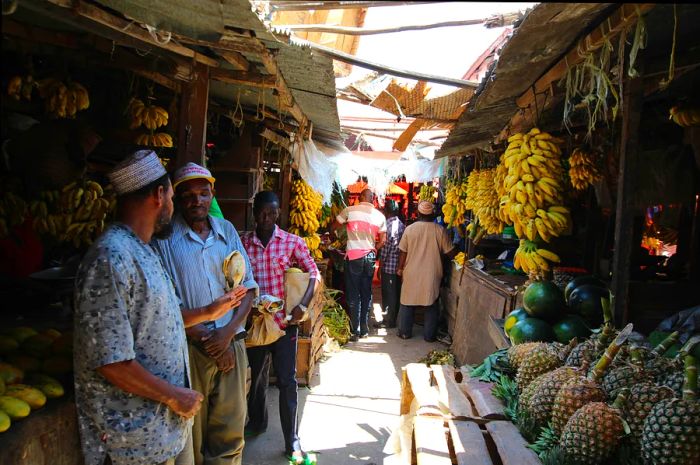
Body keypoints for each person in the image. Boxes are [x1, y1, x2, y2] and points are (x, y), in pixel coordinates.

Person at [73, 150, 248, 465]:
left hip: (157, 434)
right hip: (131, 442)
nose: (179, 204)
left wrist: (209, 313)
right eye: (174, 194)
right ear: (160, 195)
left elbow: (163, 319)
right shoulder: (111, 258)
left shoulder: (139, 250)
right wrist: (173, 394)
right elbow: (110, 361)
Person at [153, 162, 257, 465]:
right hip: (191, 348)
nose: (196, 201)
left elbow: (248, 289)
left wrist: (226, 334)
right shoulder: (166, 239)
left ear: (213, 194)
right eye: (187, 195)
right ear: (176, 199)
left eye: (203, 193)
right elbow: (167, 305)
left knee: (230, 433)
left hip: (231, 341)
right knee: (191, 434)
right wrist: (208, 340)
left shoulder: (226, 231)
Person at [241, 191, 320, 465]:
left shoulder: (290, 242)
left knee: (287, 382)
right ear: (254, 213)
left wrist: (303, 305)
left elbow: (313, 273)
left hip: (284, 325)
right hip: (256, 325)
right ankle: (257, 422)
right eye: (262, 212)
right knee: (257, 378)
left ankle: (292, 441)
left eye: (272, 213)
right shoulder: (243, 244)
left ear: (278, 215)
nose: (267, 218)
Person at [396, 200, 457, 342]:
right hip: (431, 273)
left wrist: (400, 269)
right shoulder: (439, 230)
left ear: (418, 213)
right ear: (432, 214)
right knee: (431, 303)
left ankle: (405, 332)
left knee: (407, 301)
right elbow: (451, 253)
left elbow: (403, 252)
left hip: (411, 271)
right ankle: (429, 336)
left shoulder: (409, 229)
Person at [332, 188, 386, 341]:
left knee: (353, 293)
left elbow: (334, 226)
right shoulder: (379, 216)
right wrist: (374, 248)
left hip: (353, 257)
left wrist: (336, 235)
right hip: (369, 257)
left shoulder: (349, 210)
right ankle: (364, 329)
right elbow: (383, 240)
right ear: (372, 199)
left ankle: (355, 331)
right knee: (366, 292)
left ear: (361, 197)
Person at [376, 199, 405, 329]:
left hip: (389, 266)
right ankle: (392, 318)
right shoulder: (401, 224)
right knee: (395, 292)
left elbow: (386, 248)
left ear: (386, 211)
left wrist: (380, 266)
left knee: (389, 294)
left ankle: (389, 321)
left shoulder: (388, 226)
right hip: (399, 265)